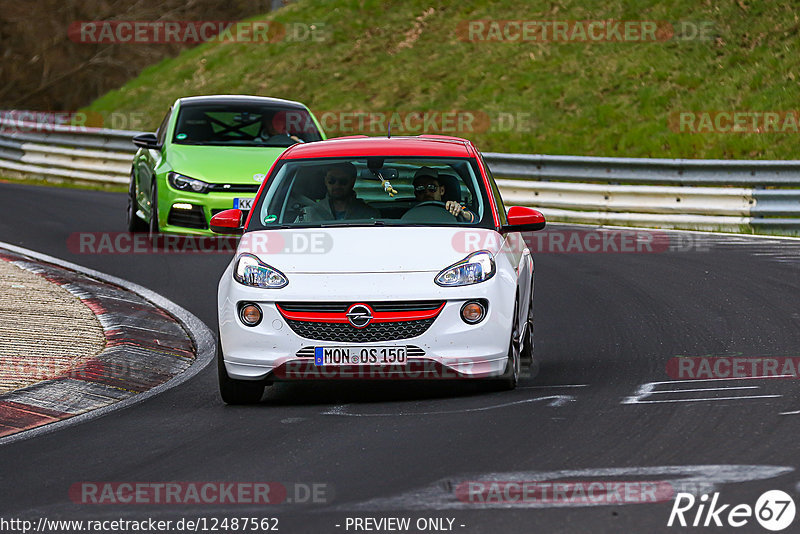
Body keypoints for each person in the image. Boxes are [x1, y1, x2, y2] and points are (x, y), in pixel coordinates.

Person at [302, 163, 380, 221]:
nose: (337, 186)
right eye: (331, 181)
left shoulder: (369, 215)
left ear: (352, 182)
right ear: (325, 181)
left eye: (343, 181)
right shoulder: (307, 214)